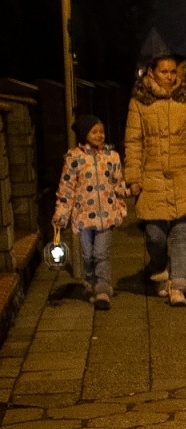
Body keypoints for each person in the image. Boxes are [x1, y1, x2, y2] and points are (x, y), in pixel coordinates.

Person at [124, 54, 186, 306]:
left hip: (182, 174)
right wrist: (133, 177)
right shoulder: (139, 102)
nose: (170, 76)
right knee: (155, 235)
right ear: (152, 73)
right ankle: (160, 268)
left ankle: (178, 284)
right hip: (152, 176)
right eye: (164, 71)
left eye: (174, 71)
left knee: (182, 232)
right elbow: (133, 142)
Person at [52, 113, 128, 311]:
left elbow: (117, 182)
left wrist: (126, 193)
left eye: (101, 131)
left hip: (107, 214)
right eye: (94, 131)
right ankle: (91, 283)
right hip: (84, 215)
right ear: (84, 134)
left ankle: (103, 289)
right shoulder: (74, 158)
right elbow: (66, 188)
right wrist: (61, 214)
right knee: (87, 254)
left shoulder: (112, 156)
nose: (99, 135)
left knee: (101, 253)